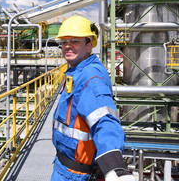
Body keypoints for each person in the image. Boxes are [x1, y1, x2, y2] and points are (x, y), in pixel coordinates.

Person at [51, 16, 135, 181]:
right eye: (64, 42)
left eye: (75, 41)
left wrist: (113, 167)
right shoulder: (76, 71)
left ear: (89, 45)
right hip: (65, 167)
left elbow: (105, 119)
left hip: (75, 175)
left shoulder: (91, 77)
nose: (67, 46)